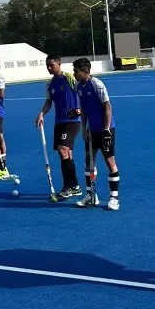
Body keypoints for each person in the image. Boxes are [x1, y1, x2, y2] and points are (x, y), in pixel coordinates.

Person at [72, 58, 120, 210]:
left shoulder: (97, 85)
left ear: (86, 71)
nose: (74, 74)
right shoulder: (78, 86)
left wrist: (106, 130)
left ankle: (114, 198)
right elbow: (83, 108)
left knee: (110, 162)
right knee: (89, 163)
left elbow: (108, 107)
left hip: (106, 130)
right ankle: (91, 195)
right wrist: (84, 128)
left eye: (76, 71)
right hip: (91, 131)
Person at [35, 54, 83, 199]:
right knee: (66, 154)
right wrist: (41, 114)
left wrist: (81, 108)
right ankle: (73, 186)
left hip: (72, 120)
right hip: (59, 121)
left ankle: (70, 186)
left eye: (51, 65)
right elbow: (48, 102)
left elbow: (81, 91)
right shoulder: (49, 84)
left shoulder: (69, 77)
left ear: (59, 64)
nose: (49, 68)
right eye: (47, 66)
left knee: (63, 150)